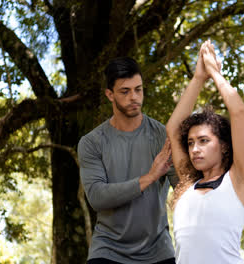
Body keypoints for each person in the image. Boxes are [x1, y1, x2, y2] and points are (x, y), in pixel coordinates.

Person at [166, 40, 244, 263]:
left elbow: (237, 111)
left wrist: (214, 73)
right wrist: (198, 78)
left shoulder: (238, 181)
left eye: (203, 141)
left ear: (224, 145)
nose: (195, 149)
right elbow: (172, 128)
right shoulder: (187, 185)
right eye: (190, 143)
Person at [78, 57, 180, 264]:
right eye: (125, 91)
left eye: (138, 89)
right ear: (110, 95)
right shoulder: (92, 142)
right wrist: (150, 177)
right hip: (108, 251)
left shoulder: (163, 135)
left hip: (158, 251)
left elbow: (184, 188)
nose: (134, 97)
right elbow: (97, 197)